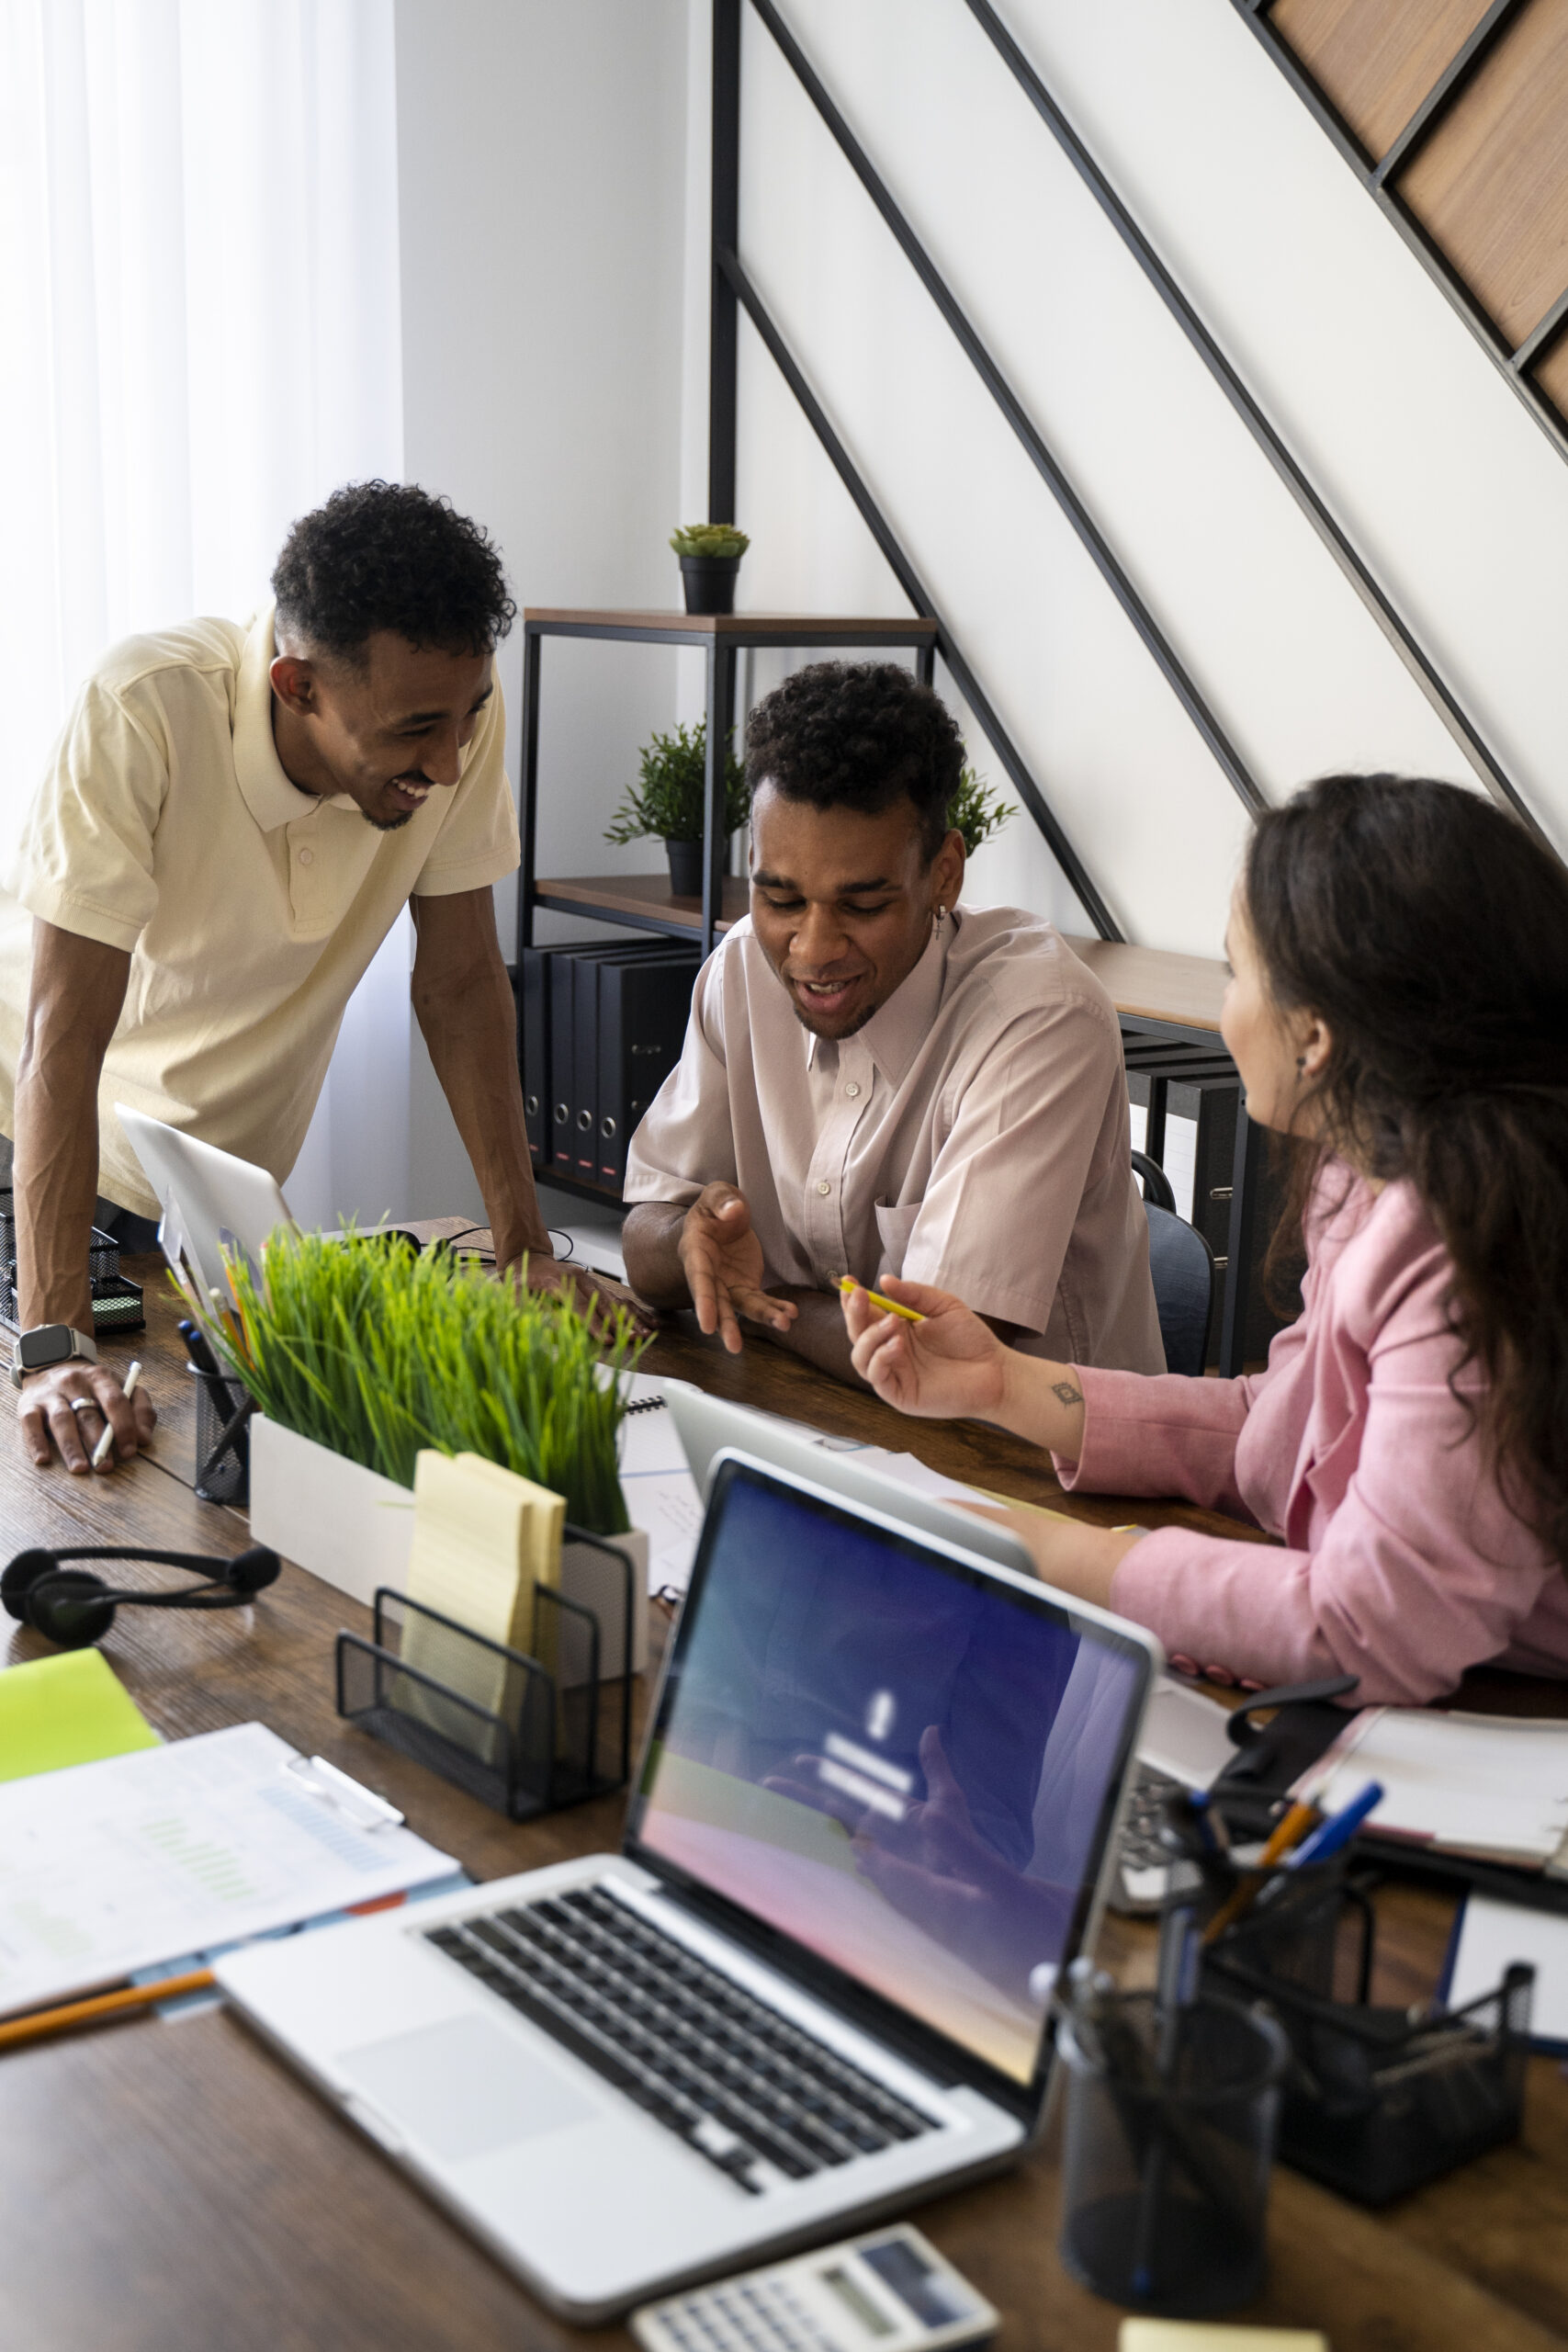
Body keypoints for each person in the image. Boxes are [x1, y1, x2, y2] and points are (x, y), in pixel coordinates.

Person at [842, 773, 1568, 1709]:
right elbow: (1286, 1427)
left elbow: (1371, 1628)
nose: (1227, 1009)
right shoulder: (1365, 1176)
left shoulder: (1474, 1252)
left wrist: (1074, 1558)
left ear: (1315, 1035)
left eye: (1236, 972)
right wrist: (1000, 1384)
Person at [0, 480, 637, 1478]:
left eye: (468, 713)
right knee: (67, 1476)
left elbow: (463, 982)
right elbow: (60, 1039)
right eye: (415, 729)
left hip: (201, 1198)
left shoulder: (451, 715)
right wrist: (51, 1345)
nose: (452, 759)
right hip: (33, 1155)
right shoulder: (144, 706)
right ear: (297, 685)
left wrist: (527, 1251)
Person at [621, 661, 1162, 1385]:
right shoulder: (739, 970)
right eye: (780, 900)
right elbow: (646, 1233)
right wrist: (688, 1239)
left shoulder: (1039, 1018)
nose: (811, 950)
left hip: (1040, 1470)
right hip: (824, 1416)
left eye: (863, 906)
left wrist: (759, 1302)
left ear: (943, 874)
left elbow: (934, 1355)